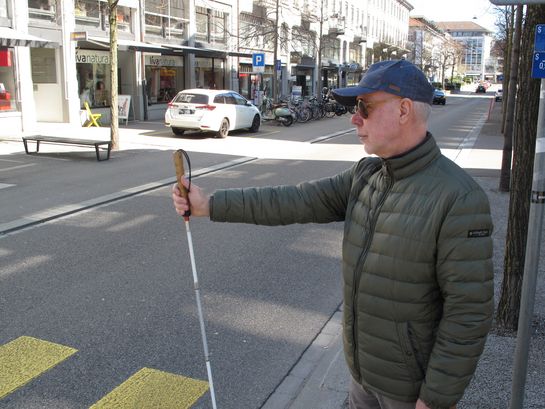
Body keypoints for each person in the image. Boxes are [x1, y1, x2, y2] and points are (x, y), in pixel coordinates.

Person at [171, 59, 494, 409]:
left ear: (403, 110)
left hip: (410, 393)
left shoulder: (458, 197)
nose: (355, 118)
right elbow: (295, 200)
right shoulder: (368, 174)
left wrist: (434, 399)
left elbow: (468, 313)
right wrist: (209, 205)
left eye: (364, 107)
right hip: (362, 377)